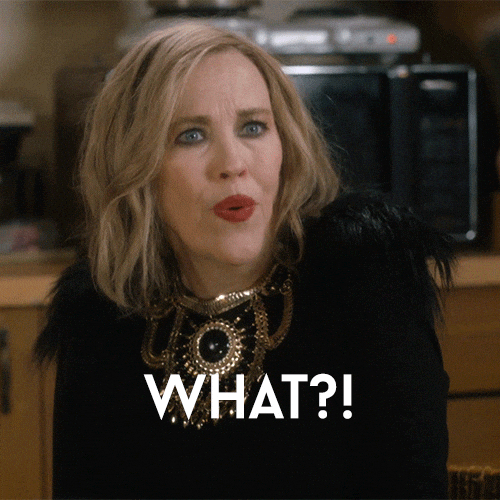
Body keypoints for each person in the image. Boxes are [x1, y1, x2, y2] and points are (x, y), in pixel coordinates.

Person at [36, 21, 453, 499]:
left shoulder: (366, 280)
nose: (233, 163)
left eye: (253, 127)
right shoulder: (99, 321)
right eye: (191, 135)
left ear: (286, 144)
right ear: (136, 168)